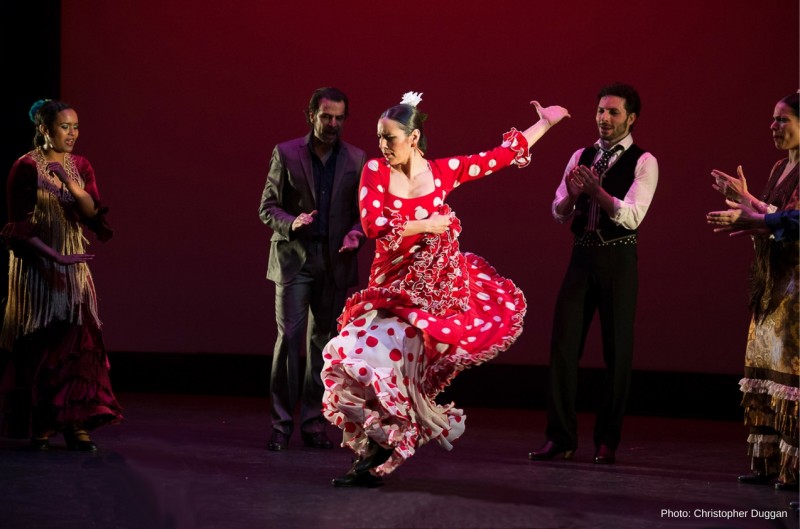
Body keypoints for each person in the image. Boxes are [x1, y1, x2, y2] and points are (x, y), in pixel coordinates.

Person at [321, 91, 570, 487]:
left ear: (414, 138)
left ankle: (373, 458)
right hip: (388, 287)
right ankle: (376, 448)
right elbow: (371, 226)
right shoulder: (374, 171)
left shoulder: (442, 172)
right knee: (353, 359)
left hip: (429, 292)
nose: (383, 146)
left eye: (391, 138)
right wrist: (427, 225)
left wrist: (544, 124)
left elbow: (496, 158)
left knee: (398, 370)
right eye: (380, 138)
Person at [528, 83, 658, 465]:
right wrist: (572, 194)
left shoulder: (644, 161)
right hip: (582, 257)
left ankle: (607, 441)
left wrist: (597, 191)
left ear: (631, 118)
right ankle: (561, 437)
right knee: (563, 347)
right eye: (600, 111)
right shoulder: (581, 155)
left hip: (618, 261)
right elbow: (558, 210)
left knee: (617, 353)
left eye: (614, 112)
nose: (604, 118)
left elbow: (632, 217)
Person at [0, 99, 123, 451]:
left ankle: (75, 424)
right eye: (64, 127)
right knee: (44, 345)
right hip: (39, 266)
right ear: (44, 129)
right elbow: (19, 229)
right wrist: (56, 256)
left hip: (73, 269)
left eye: (76, 126)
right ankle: (43, 422)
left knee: (78, 342)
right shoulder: (24, 166)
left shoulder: (80, 165)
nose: (72, 134)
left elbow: (91, 212)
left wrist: (70, 182)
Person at [258, 87, 366, 451]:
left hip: (334, 262)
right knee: (289, 341)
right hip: (294, 260)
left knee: (323, 346)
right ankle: (281, 424)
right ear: (311, 115)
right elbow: (267, 207)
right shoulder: (286, 153)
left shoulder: (356, 159)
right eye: (326, 117)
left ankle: (314, 423)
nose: (332, 124)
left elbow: (360, 216)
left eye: (338, 118)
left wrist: (355, 234)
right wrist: (292, 222)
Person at [707, 91, 798, 492]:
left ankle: (793, 469)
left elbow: (792, 221)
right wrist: (747, 202)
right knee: (763, 369)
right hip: (771, 282)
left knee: (790, 373)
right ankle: (769, 462)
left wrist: (752, 216)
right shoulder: (781, 167)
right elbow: (774, 215)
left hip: (795, 285)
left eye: (783, 120)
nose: (774, 127)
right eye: (774, 120)